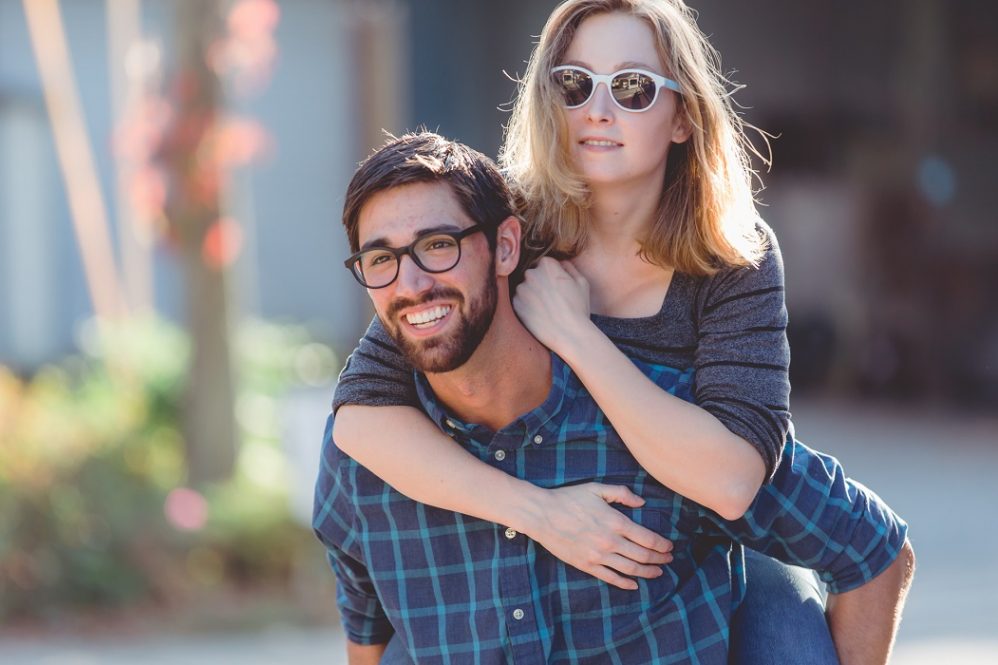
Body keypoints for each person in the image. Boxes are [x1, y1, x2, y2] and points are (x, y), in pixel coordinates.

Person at [330, 0, 915, 661]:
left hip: (717, 521)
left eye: (632, 88)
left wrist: (577, 337)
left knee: (786, 625)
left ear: (684, 116)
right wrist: (538, 512)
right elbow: (359, 415)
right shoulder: (506, 227)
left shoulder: (733, 254)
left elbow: (734, 482)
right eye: (574, 85)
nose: (597, 111)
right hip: (555, 509)